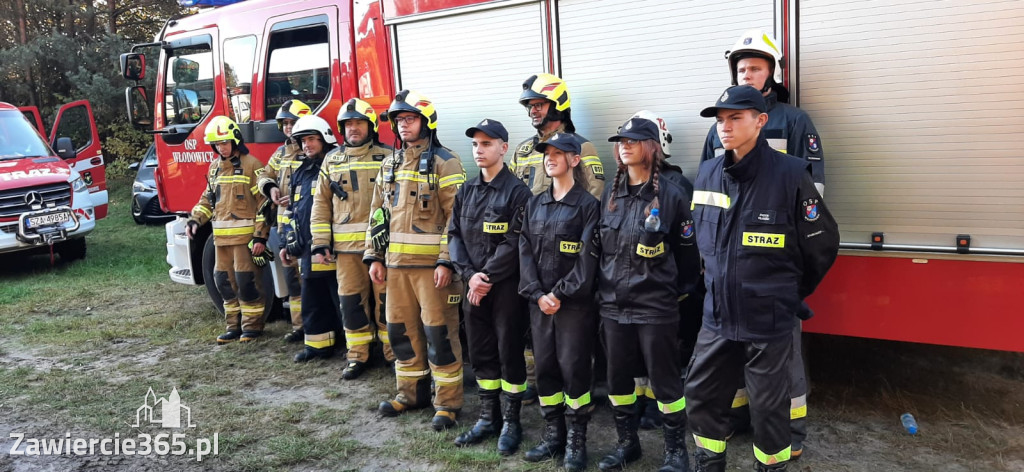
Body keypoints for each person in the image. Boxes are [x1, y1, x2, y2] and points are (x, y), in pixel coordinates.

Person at [686, 85, 839, 472]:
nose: (725, 126)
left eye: (735, 117)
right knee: (701, 394)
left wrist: (787, 292)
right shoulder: (707, 173)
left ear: (760, 121)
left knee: (770, 409)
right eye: (721, 120)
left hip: (768, 317)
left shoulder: (789, 174)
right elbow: (703, 245)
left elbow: (821, 246)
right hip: (717, 316)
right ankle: (709, 463)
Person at [700, 29, 825, 456]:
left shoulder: (794, 120)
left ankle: (791, 437)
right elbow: (708, 198)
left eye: (754, 67)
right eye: (741, 68)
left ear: (771, 71)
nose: (747, 73)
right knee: (730, 363)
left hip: (774, 274)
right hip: (733, 274)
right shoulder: (720, 126)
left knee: (784, 363)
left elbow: (813, 197)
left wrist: (791, 281)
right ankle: (737, 420)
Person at [596, 116, 700, 472]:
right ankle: (628, 445)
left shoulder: (671, 195)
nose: (624, 146)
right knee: (619, 381)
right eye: (620, 141)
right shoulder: (611, 196)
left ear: (652, 147)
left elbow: (688, 254)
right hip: (613, 307)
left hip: (655, 307)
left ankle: (676, 452)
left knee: (666, 383)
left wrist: (673, 293)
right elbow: (599, 251)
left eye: (633, 140)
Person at [364, 90, 466, 431]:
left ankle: (447, 403)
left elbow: (458, 218)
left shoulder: (446, 162)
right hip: (395, 269)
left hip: (432, 272)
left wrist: (446, 261)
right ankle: (410, 394)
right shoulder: (389, 164)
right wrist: (373, 256)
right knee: (401, 334)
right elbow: (377, 215)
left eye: (409, 119)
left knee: (440, 336)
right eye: (398, 120)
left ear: (426, 122)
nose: (402, 125)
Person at [511, 72, 606, 405]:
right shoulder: (524, 150)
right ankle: (541, 384)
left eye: (539, 104)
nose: (534, 111)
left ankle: (577, 391)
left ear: (559, 105)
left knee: (572, 338)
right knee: (533, 329)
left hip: (567, 262)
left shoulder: (582, 146)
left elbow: (591, 203)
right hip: (531, 253)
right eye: (530, 106)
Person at [517, 132, 600, 472]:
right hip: (540, 305)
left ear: (575, 160)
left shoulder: (588, 206)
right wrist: (537, 293)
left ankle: (576, 442)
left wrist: (559, 294)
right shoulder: (535, 203)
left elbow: (587, 260)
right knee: (546, 370)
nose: (549, 158)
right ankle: (554, 436)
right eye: (545, 153)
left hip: (573, 307)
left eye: (557, 153)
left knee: (574, 372)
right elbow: (524, 250)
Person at [449, 119, 531, 454]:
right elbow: (454, 235)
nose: (479, 150)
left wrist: (486, 277)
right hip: (474, 287)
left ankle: (512, 422)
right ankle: (488, 417)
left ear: (503, 148)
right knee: (481, 353)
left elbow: (516, 241)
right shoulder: (466, 191)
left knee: (509, 352)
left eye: (487, 143)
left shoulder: (518, 192)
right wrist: (470, 276)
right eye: (476, 145)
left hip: (505, 289)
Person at [309, 98, 395, 379]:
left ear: (370, 126)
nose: (353, 128)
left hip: (383, 248)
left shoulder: (390, 156)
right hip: (346, 251)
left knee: (387, 303)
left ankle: (393, 354)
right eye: (348, 124)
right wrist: (320, 242)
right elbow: (321, 204)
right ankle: (358, 355)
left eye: (358, 123)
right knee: (351, 302)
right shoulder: (331, 160)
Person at [186, 115, 269, 344]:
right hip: (220, 240)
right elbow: (207, 200)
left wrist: (260, 236)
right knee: (223, 282)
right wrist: (195, 220)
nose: (221, 148)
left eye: (224, 142)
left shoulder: (252, 165)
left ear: (235, 140)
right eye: (217, 144)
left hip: (245, 240)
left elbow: (264, 203)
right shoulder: (214, 169)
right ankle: (233, 325)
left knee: (247, 282)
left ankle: (252, 327)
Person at [276, 115, 342, 362]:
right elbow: (291, 210)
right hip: (306, 248)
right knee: (312, 299)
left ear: (325, 138)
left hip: (332, 247)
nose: (307, 145)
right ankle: (317, 346)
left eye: (312, 139)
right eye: (303, 141)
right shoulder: (301, 171)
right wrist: (285, 242)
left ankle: (353, 348)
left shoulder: (336, 165)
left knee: (341, 299)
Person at [256, 99, 311, 343]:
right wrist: (271, 190)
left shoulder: (312, 148)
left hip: (308, 227)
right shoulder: (280, 153)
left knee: (311, 280)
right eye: (285, 123)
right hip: (285, 225)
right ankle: (300, 327)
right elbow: (265, 175)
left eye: (293, 122)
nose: (288, 128)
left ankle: (318, 327)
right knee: (293, 282)